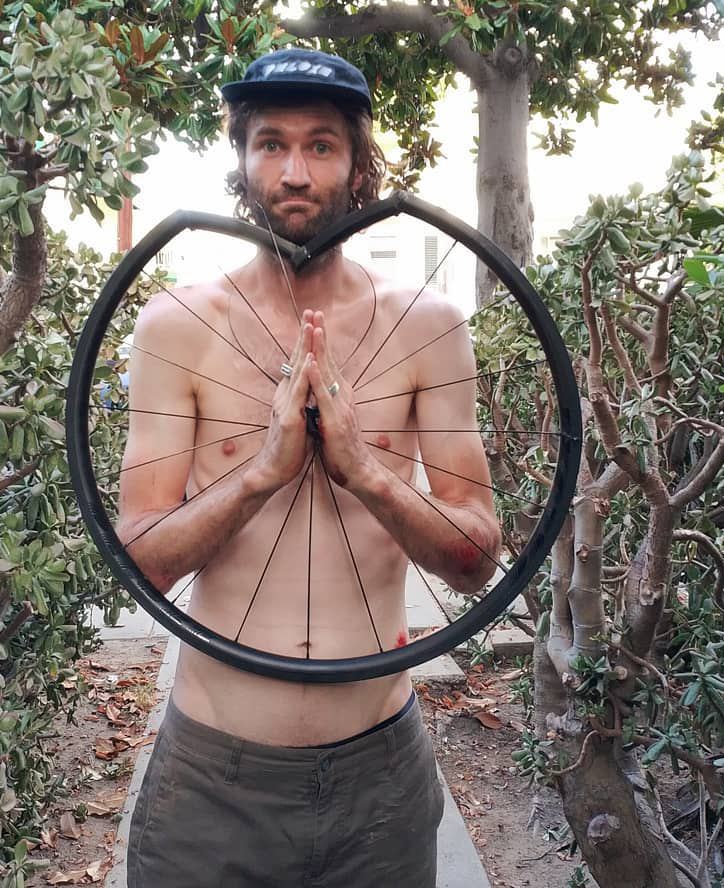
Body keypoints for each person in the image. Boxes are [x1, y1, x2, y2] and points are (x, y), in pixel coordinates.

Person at [117, 47, 502, 887]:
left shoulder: (428, 325)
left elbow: (476, 560)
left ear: (360, 165)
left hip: (380, 777)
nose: (294, 172)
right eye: (271, 143)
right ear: (241, 159)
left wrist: (366, 470)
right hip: (212, 778)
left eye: (321, 145)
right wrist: (260, 473)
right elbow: (139, 560)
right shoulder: (176, 325)